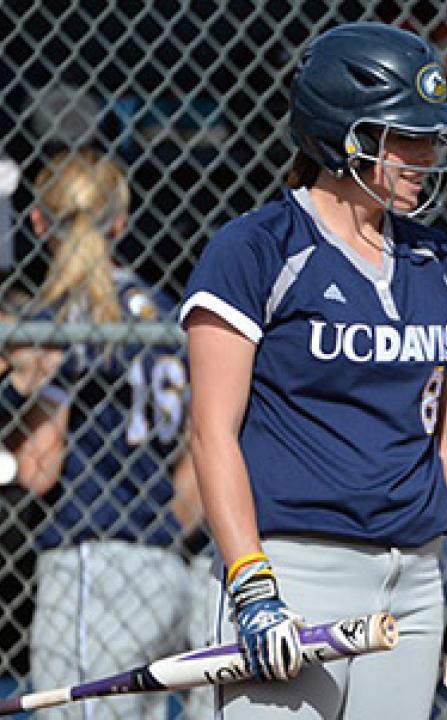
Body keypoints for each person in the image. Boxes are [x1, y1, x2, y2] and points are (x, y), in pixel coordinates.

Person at [179, 22, 447, 719]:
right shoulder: (258, 248)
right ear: (341, 136)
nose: (428, 155)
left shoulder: (437, 261)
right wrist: (253, 586)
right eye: (404, 137)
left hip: (414, 581)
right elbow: (211, 434)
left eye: (431, 136)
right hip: (291, 568)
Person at [5, 148, 191, 720]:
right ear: (120, 221)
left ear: (37, 222)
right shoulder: (163, 312)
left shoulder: (57, 320)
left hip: (92, 559)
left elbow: (39, 469)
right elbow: (199, 463)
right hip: (165, 562)